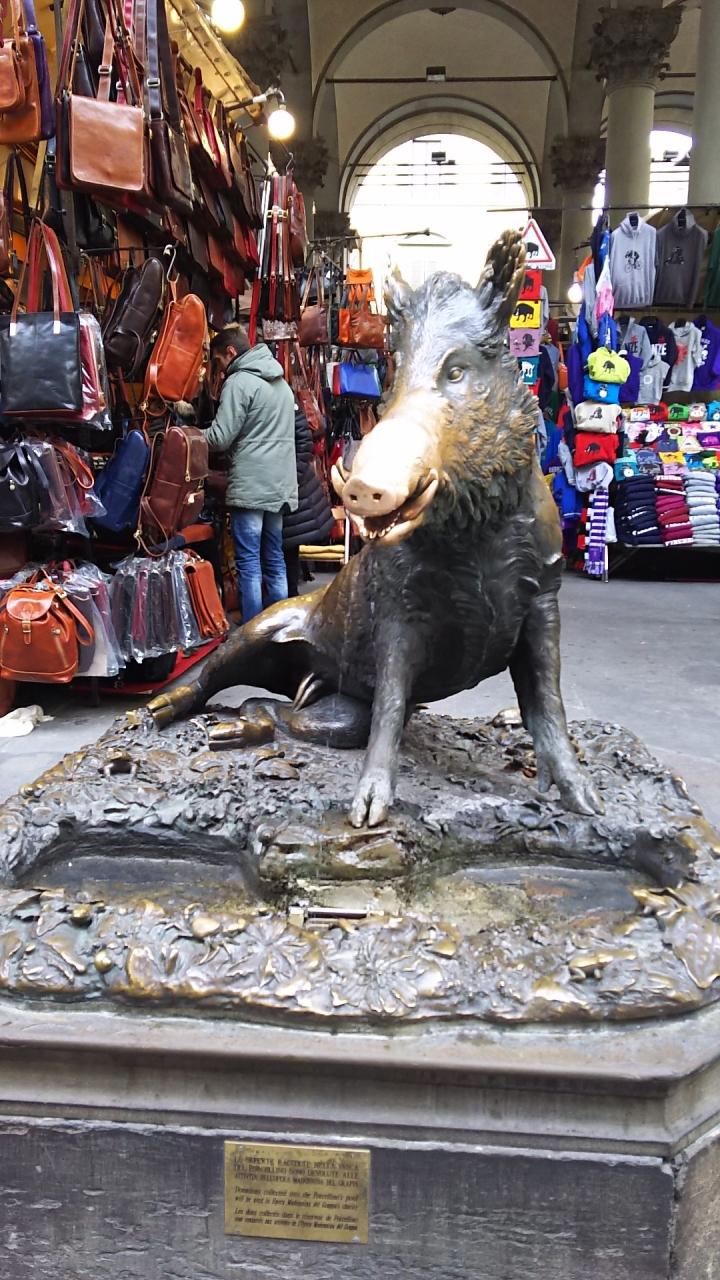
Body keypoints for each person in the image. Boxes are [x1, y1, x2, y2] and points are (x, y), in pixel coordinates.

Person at [204, 325, 297, 622]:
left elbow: (220, 438)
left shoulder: (239, 382)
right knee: (275, 559)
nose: (219, 369)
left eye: (218, 361)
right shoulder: (281, 383)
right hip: (278, 485)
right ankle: (279, 629)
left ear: (230, 352)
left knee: (249, 563)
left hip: (251, 486)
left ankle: (252, 633)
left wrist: (190, 435)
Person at [283, 407, 335, 595]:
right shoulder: (287, 400)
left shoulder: (286, 399)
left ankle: (287, 597)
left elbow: (304, 442)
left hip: (293, 486)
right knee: (285, 548)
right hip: (290, 484)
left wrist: (293, 474)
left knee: (286, 547)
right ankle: (287, 596)